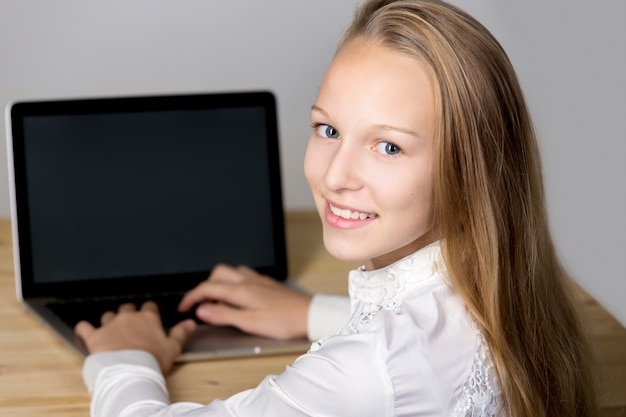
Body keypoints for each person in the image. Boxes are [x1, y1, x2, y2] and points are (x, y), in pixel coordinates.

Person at [74, 0, 598, 416]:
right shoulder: (504, 287)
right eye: (329, 129)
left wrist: (124, 357)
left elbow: (385, 374)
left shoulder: (364, 371)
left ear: (472, 169)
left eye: (388, 146)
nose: (333, 177)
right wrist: (310, 312)